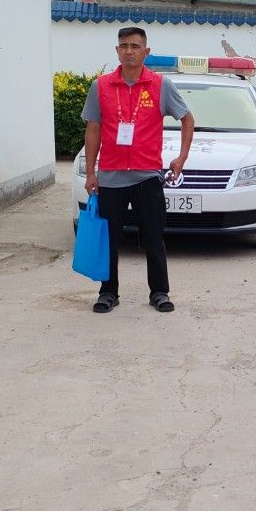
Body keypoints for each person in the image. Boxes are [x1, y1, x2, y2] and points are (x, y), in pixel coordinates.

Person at [83, 26, 194, 314]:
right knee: (109, 239)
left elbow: (187, 118)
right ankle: (108, 292)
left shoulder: (160, 85)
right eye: (124, 46)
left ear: (146, 52)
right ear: (117, 51)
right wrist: (92, 172)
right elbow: (93, 128)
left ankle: (159, 292)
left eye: (135, 46)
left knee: (154, 238)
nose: (129, 51)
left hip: (147, 176)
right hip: (111, 177)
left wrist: (181, 157)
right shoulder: (101, 86)